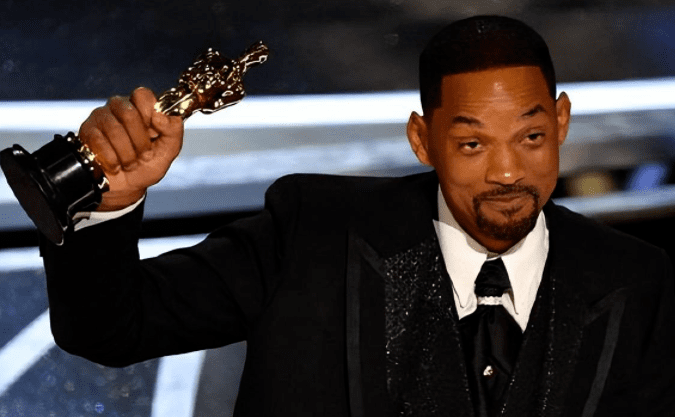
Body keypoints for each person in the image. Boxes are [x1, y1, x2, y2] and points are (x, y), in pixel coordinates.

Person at [40, 15, 675, 417]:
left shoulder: (638, 281)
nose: (508, 172)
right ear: (422, 140)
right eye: (472, 144)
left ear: (561, 123)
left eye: (531, 138)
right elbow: (110, 329)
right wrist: (111, 204)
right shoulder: (312, 234)